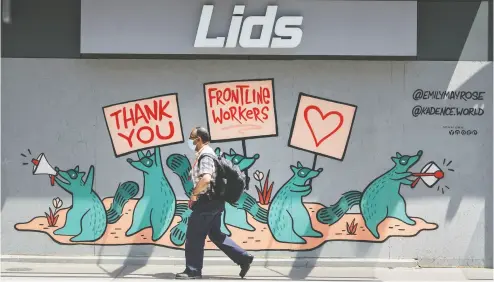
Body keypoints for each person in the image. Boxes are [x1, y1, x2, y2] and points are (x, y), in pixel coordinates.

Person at [175, 126, 254, 280]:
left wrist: (194, 195)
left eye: (192, 138)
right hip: (215, 202)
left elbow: (206, 179)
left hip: (207, 202)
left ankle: (193, 271)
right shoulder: (208, 154)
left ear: (198, 139)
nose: (190, 141)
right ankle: (243, 257)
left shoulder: (205, 156)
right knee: (215, 234)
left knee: (194, 235)